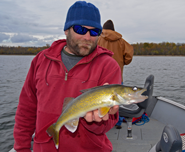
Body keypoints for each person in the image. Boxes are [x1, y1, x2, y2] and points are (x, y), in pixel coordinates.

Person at [13, 1, 122, 152]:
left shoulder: (109, 66)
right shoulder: (41, 60)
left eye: (94, 32)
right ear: (66, 30)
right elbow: (26, 108)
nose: (88, 37)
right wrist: (21, 148)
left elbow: (109, 121)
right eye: (80, 29)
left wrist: (98, 121)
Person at [97, 19, 134, 84]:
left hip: (99, 78)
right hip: (117, 77)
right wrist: (121, 62)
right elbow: (129, 57)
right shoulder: (122, 42)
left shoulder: (97, 39)